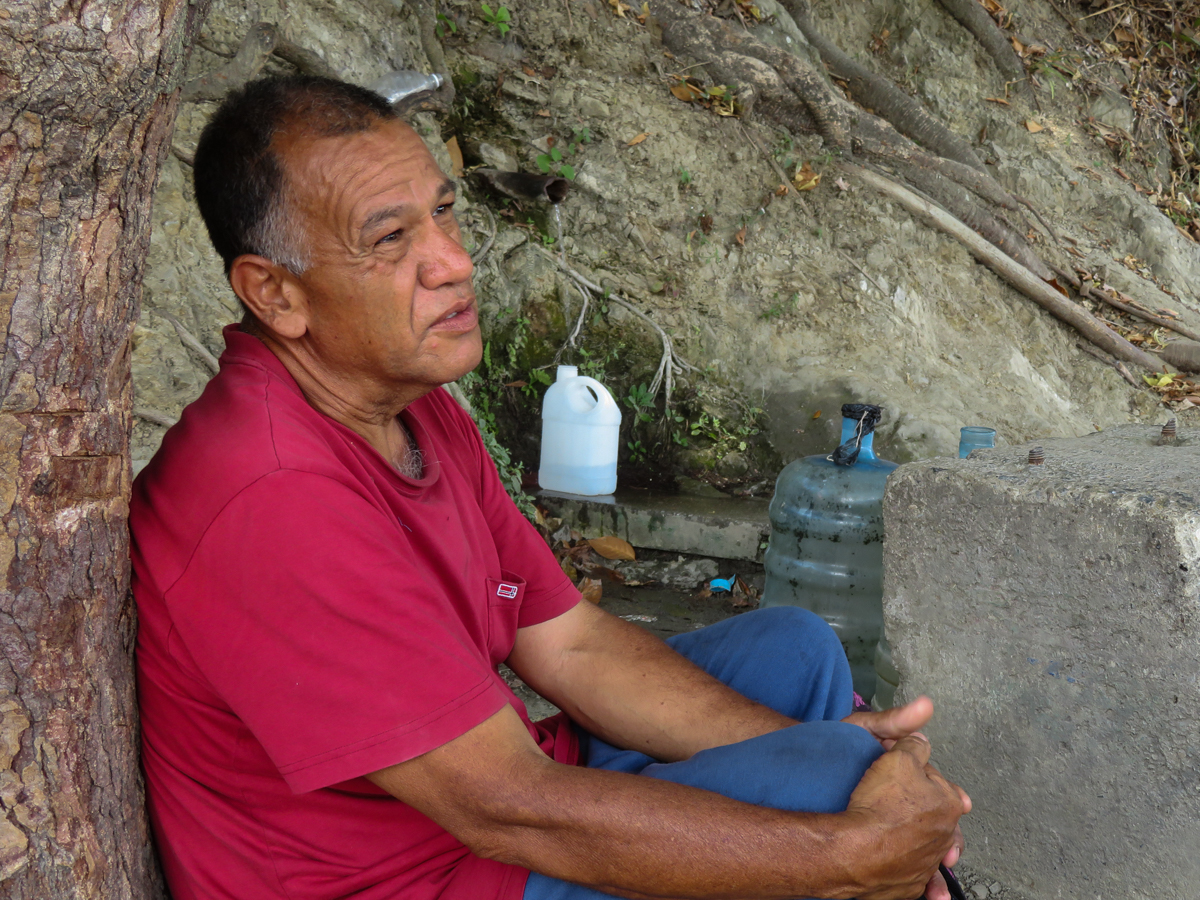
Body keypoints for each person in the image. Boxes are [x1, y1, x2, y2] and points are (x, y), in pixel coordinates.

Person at [130, 75, 969, 900]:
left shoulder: (410, 408)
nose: (454, 263)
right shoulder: (272, 492)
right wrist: (850, 848)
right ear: (275, 294)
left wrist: (839, 765)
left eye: (445, 212)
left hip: (494, 800)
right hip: (418, 871)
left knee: (795, 652)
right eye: (390, 240)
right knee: (837, 788)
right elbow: (508, 808)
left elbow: (570, 644)